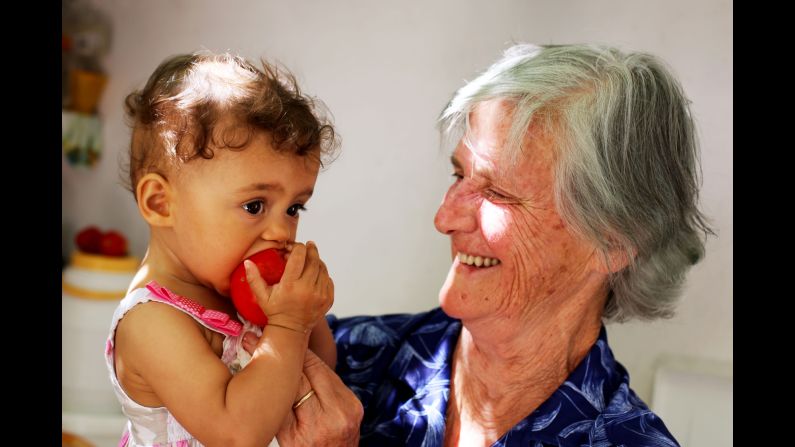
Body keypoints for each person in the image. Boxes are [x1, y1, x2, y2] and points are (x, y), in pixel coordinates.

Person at [274, 43, 712, 446]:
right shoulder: (339, 360)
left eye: (499, 193)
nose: (444, 219)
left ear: (615, 238)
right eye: (458, 175)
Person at [104, 51, 340, 446]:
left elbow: (319, 373)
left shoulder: (238, 292)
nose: (283, 231)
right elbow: (238, 433)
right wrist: (287, 326)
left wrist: (306, 316)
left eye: (294, 208)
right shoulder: (151, 322)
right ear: (161, 203)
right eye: (254, 206)